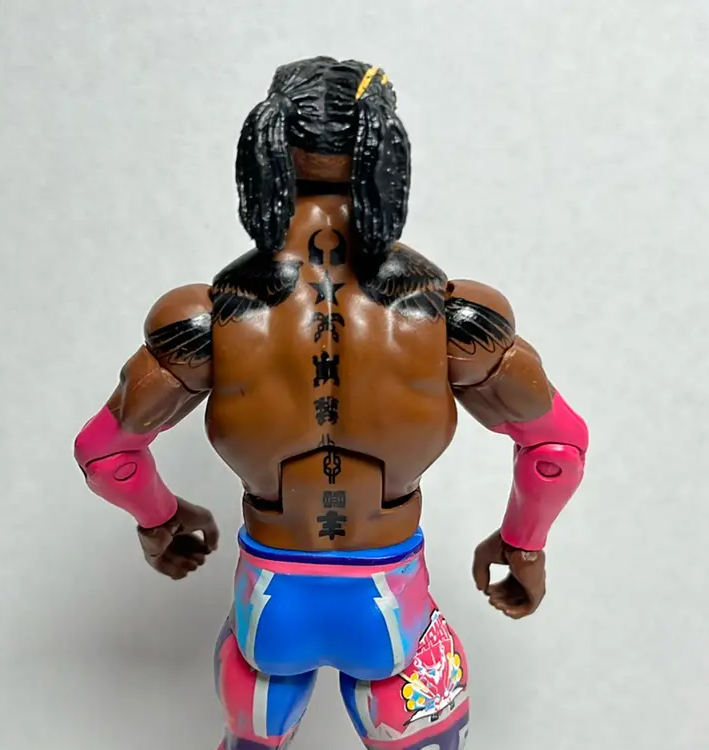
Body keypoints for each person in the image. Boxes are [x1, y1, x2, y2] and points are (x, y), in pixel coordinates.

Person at [74, 56, 589, 750]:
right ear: (387, 152)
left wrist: (160, 519)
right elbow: (556, 450)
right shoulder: (452, 315)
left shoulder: (207, 318)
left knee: (249, 733)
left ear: (266, 152)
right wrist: (523, 546)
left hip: (267, 608)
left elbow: (106, 454)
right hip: (392, 605)